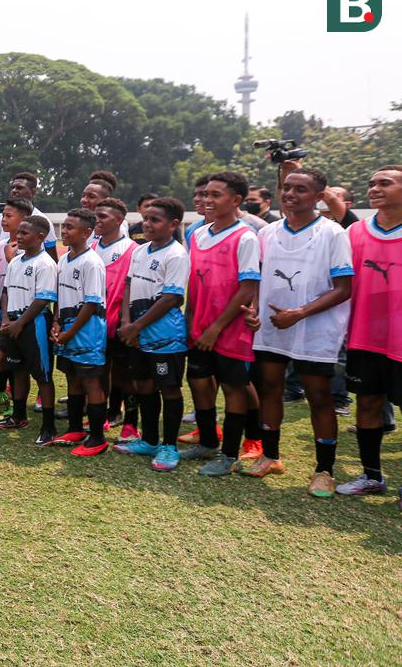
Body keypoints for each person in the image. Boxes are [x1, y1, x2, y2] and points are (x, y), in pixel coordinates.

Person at [246, 165, 352, 497]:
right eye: (287, 188)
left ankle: (324, 470)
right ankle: (271, 456)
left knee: (319, 396)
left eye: (300, 189)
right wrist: (253, 309)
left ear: (319, 197)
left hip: (315, 330)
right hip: (272, 326)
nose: (290, 194)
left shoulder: (333, 233)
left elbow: (344, 287)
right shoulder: (268, 232)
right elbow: (257, 280)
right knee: (270, 389)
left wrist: (301, 312)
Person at [180, 172, 261, 476]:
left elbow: (247, 287)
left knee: (233, 388)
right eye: (205, 195)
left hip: (229, 329)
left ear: (236, 201)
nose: (207, 200)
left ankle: (229, 455)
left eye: (216, 195)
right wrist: (194, 321)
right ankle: (208, 442)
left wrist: (217, 328)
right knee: (199, 383)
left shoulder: (246, 237)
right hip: (199, 326)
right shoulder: (198, 233)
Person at [114, 197, 190, 472]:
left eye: (154, 220)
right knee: (143, 386)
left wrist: (136, 326)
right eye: (146, 219)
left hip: (165, 337)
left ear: (173, 225)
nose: (147, 224)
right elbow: (128, 286)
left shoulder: (177, 254)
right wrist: (126, 322)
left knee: (168, 388)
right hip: (136, 333)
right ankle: (148, 439)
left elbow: (171, 298)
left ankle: (169, 446)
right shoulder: (140, 251)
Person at [340, 166, 402, 498]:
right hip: (365, 337)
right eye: (371, 183)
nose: (374, 188)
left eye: (384, 183)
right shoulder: (355, 232)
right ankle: (372, 476)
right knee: (367, 404)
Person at [0, 215, 58, 437]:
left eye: (24, 233)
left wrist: (21, 322)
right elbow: (7, 291)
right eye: (18, 232)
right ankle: (19, 417)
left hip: (34, 324)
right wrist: (7, 320)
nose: (18, 236)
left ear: (40, 236)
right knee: (17, 370)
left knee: (43, 376)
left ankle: (48, 427)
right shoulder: (16, 261)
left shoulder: (46, 263)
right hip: (13, 323)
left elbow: (42, 299)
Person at [51, 208, 109, 455]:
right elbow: (59, 296)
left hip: (87, 332)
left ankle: (97, 438)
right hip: (66, 330)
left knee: (90, 381)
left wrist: (70, 332)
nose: (64, 231)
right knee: (72, 378)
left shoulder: (92, 262)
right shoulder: (64, 260)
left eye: (70, 228)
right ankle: (75, 429)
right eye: (63, 226)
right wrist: (55, 322)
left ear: (86, 232)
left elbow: (91, 303)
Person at [91, 198, 139, 442]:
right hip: (93, 324)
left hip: (119, 324)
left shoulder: (133, 250)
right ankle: (103, 416)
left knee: (124, 375)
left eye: (103, 217)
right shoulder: (91, 248)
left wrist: (126, 320)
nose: (97, 220)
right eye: (96, 216)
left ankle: (130, 422)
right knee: (100, 372)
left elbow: (133, 288)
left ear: (119, 220)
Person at [0, 198, 32, 421]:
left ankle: (16, 403)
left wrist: (11, 258)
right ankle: (2, 389)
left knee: (17, 359)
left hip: (23, 308)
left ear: (24, 220)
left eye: (9, 216)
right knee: (0, 356)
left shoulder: (30, 250)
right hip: (3, 307)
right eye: (2, 215)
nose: (3, 220)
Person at [7, 172, 58, 256]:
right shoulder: (6, 219)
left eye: (19, 188)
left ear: (33, 192)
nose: (14, 191)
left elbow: (52, 256)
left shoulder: (43, 221)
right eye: (13, 187)